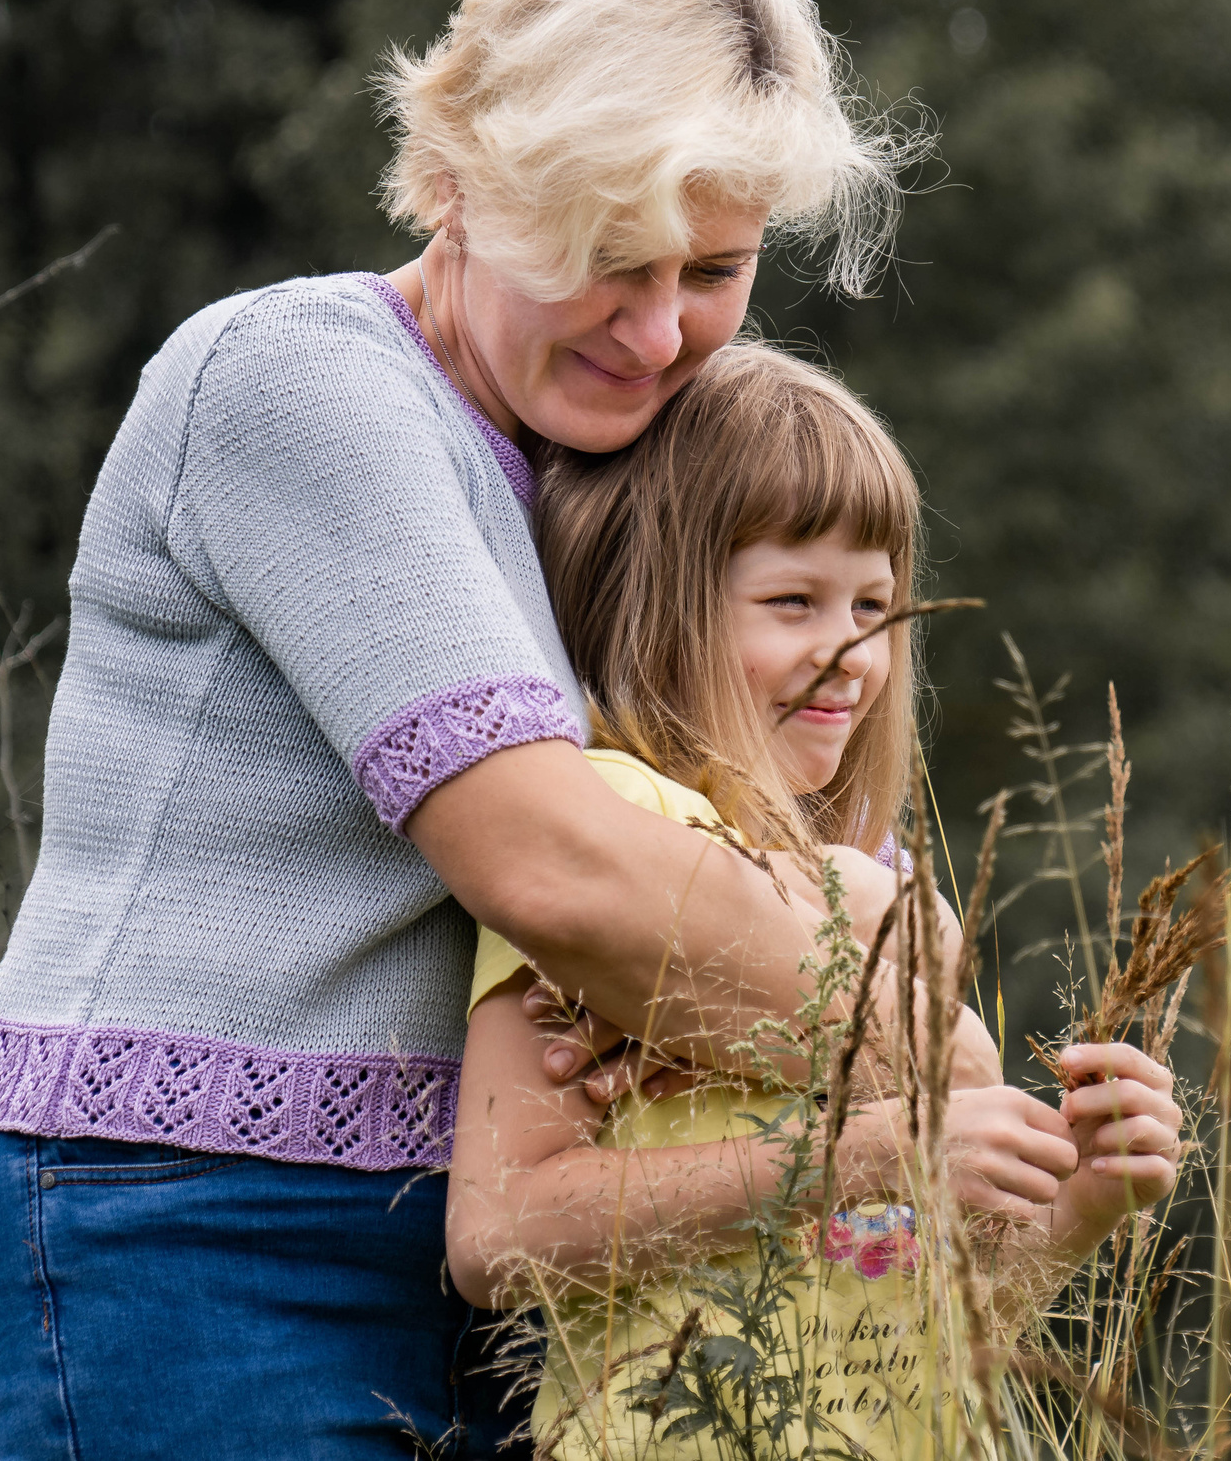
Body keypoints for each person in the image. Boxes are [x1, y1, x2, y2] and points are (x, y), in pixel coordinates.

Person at [0, 0, 939, 1460]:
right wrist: (919, 1037)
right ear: (458, 179)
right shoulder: (301, 380)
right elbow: (558, 865)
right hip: (182, 1224)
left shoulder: (612, 465)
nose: (660, 330)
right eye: (607, 259)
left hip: (513, 1260)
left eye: (716, 271)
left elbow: (708, 830)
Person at [446, 344, 1184, 1459]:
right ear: (662, 603)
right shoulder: (614, 826)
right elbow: (497, 1236)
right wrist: (870, 1151)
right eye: (792, 601)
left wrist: (1084, 1200)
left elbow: (940, 1323)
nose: (852, 656)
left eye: (875, 605)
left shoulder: (888, 887)